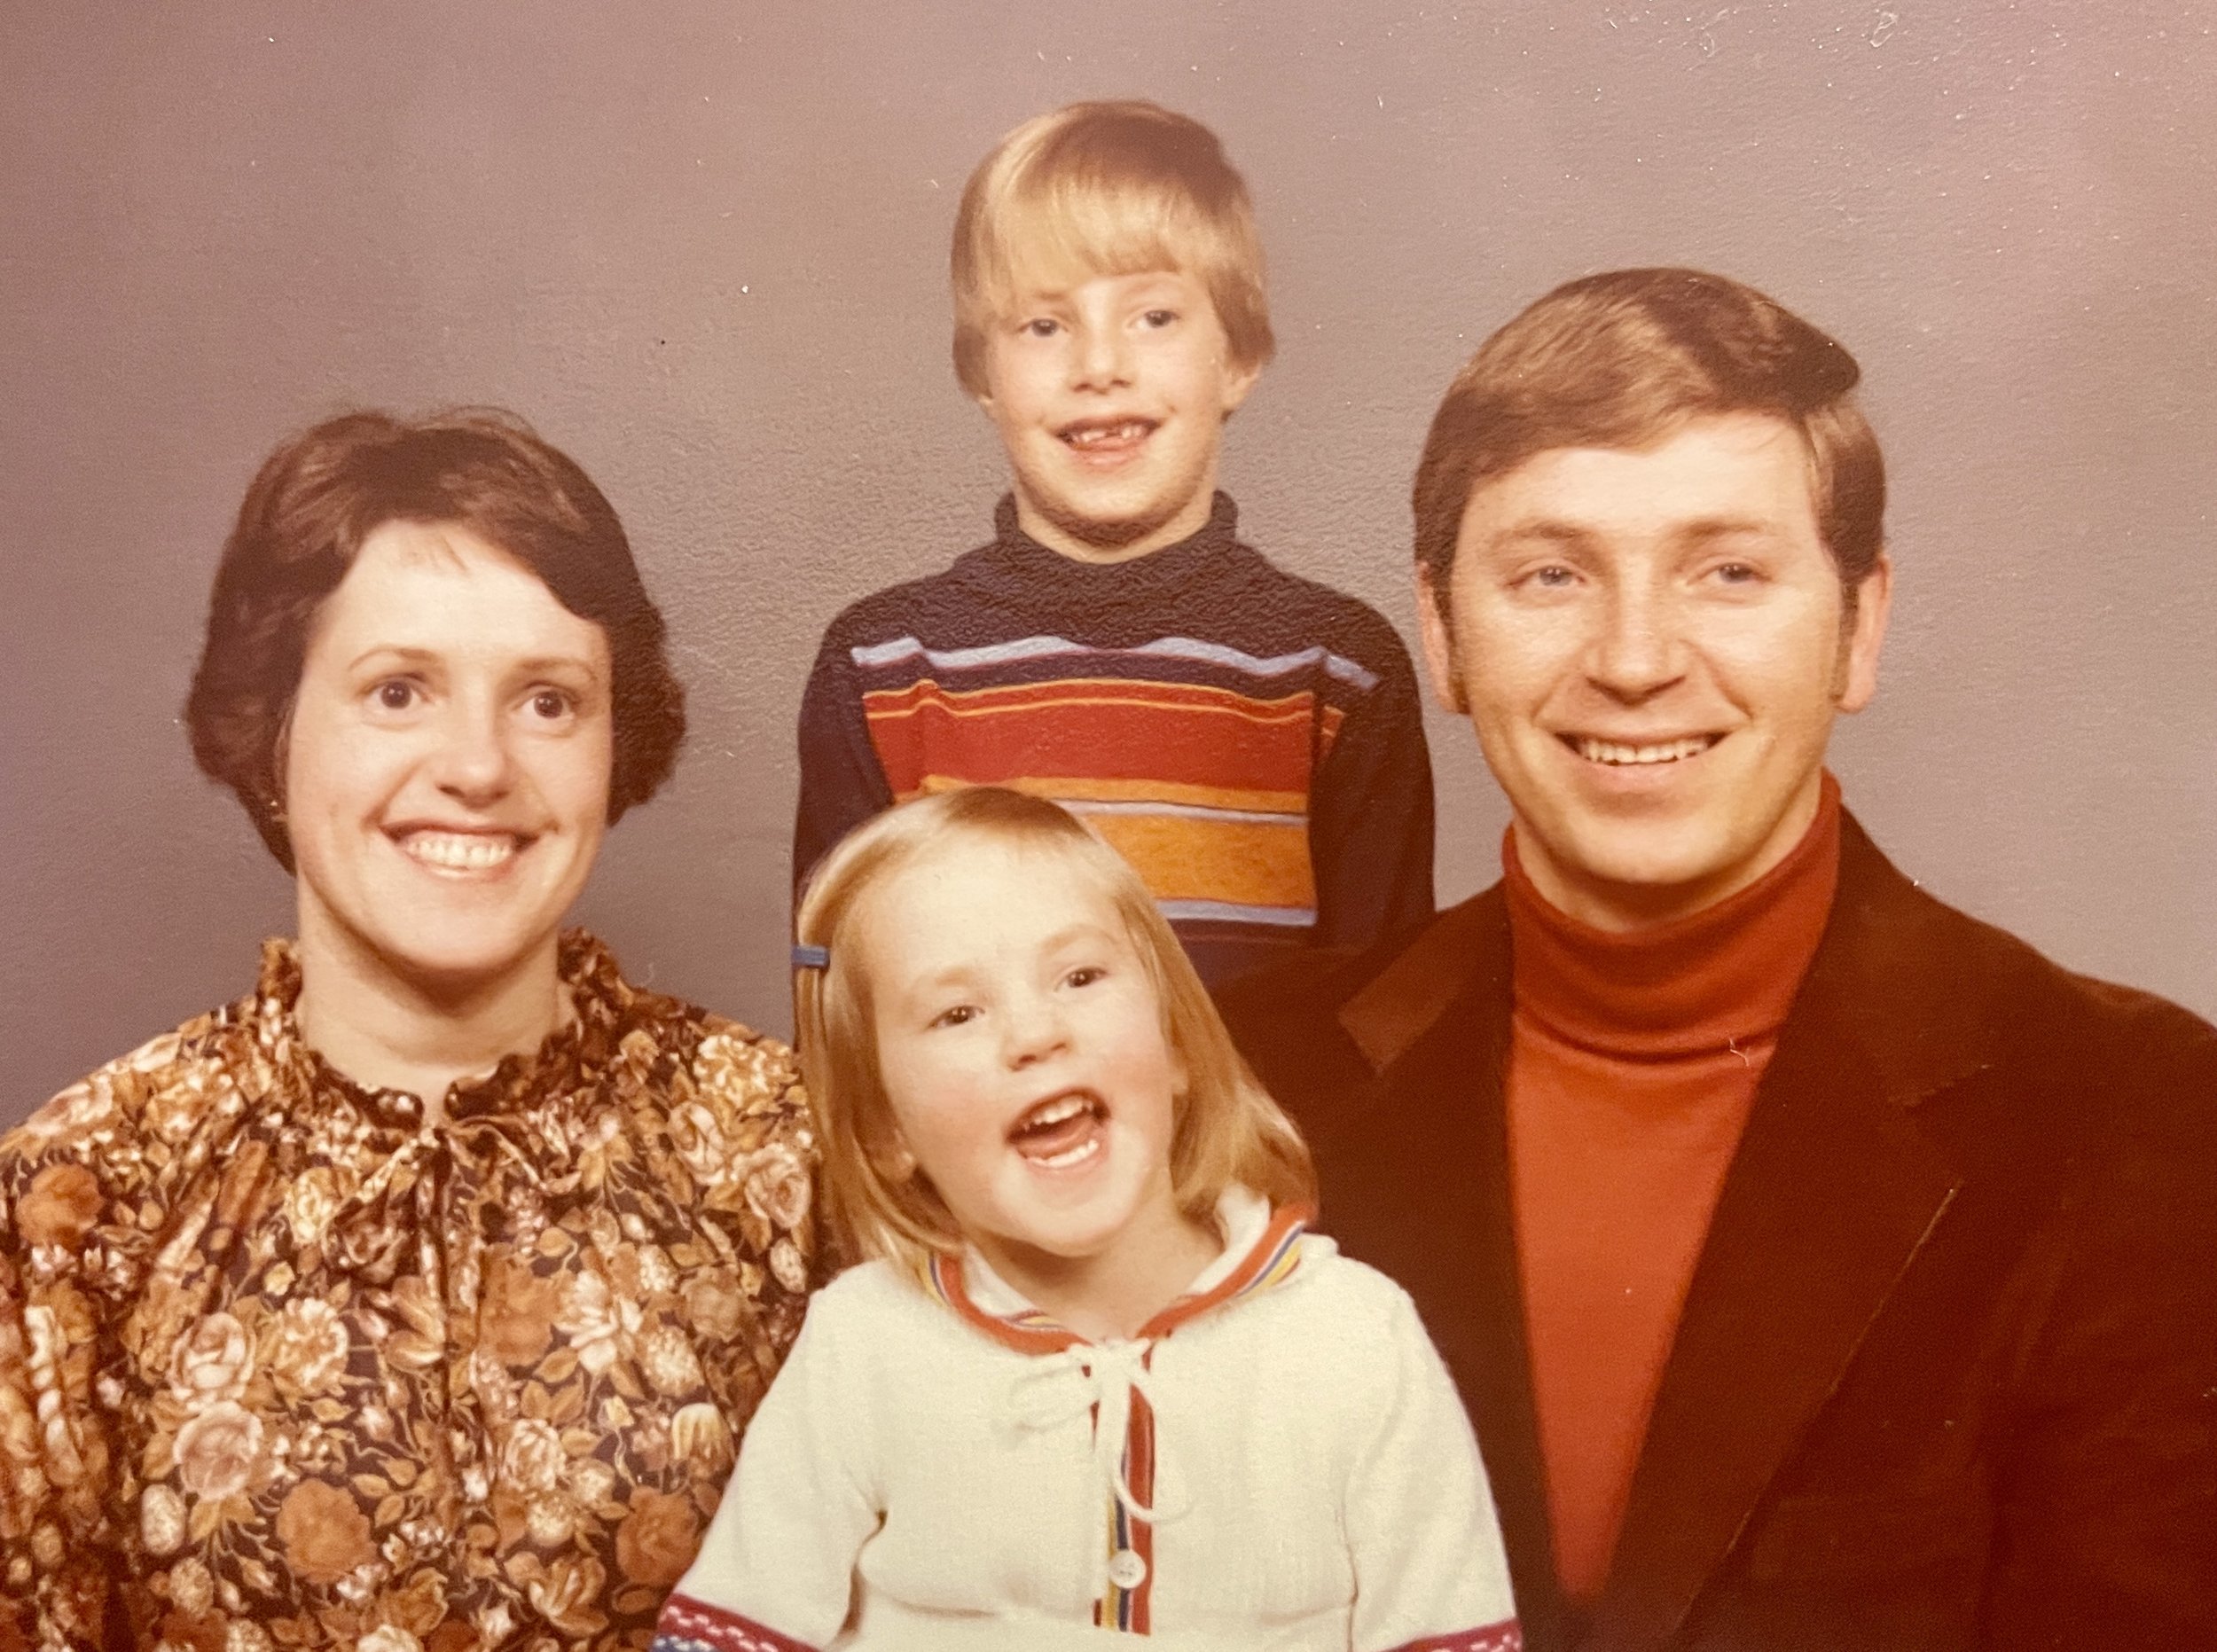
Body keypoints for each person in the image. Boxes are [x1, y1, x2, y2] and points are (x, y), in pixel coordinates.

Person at [1218, 269, 2217, 1650]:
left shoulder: (2130, 1107)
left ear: (1857, 628)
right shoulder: (1238, 1080)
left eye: (1728, 571)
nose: (1634, 658)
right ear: (1444, 632)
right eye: (1552, 574)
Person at [0, 411, 821, 1650]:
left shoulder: (781, 1147)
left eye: (548, 700)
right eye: (399, 690)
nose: (478, 764)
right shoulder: (82, 1197)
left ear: (616, 744)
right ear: (272, 731)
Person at [654, 788, 1519, 1652]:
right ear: (886, 1131)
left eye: (1079, 977)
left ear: (1177, 1044)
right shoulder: (867, 1342)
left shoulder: (1355, 1337)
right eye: (957, 1013)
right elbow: (734, 1634)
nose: (1033, 1033)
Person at [792, 100, 1435, 986]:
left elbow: (1382, 1042)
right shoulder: (882, 670)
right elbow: (843, 1028)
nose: (1098, 366)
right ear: (983, 372)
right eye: (1044, 325)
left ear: (1238, 358)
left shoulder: (1335, 673)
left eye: (1153, 318)